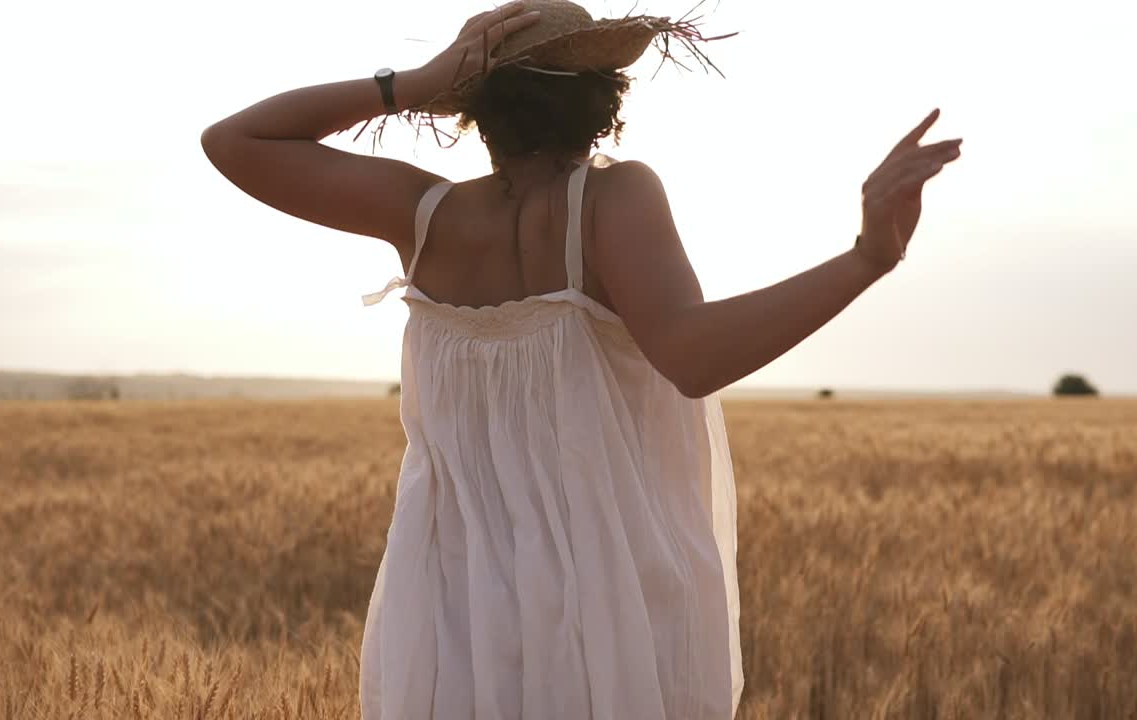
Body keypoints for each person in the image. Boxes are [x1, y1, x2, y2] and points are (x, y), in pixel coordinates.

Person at [200, 1, 962, 717]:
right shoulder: (614, 198)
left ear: (475, 112)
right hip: (610, 592)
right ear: (606, 102)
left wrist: (412, 86)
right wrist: (867, 258)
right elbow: (692, 359)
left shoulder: (422, 215)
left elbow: (235, 142)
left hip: (450, 596)